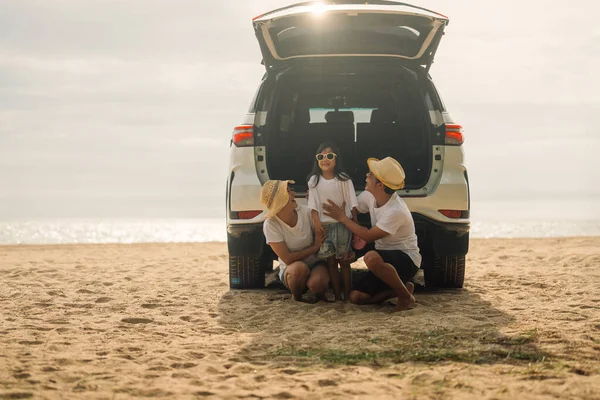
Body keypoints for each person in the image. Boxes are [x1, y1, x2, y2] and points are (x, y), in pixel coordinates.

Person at [322, 157, 421, 311]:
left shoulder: (395, 211)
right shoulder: (370, 196)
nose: (366, 176)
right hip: (382, 260)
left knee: (371, 258)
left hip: (406, 259)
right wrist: (319, 195)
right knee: (356, 297)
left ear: (380, 185)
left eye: (370, 175)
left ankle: (406, 298)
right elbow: (350, 207)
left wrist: (341, 217)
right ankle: (401, 289)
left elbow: (368, 236)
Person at [260, 179, 330, 302]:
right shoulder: (271, 224)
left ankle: (319, 296)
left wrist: (315, 205)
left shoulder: (306, 212)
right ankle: (297, 297)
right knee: (298, 269)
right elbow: (287, 259)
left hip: (315, 263)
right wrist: (314, 247)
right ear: (280, 201)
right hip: (291, 268)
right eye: (288, 191)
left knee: (317, 283)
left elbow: (326, 229)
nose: (294, 194)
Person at [306, 142, 358, 302]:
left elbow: (352, 203)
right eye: (320, 156)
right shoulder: (313, 181)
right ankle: (337, 296)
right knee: (331, 263)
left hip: (343, 226)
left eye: (329, 155)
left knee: (344, 261)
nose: (324, 159)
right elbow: (312, 205)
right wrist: (317, 223)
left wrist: (355, 225)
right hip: (325, 226)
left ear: (336, 159)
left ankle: (347, 296)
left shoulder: (344, 179)